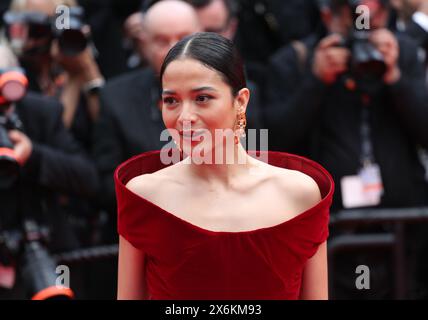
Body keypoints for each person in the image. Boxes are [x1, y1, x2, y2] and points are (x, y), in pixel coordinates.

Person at [115, 32, 334, 300]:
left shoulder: (299, 193)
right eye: (171, 100)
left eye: (202, 98)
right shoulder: (144, 195)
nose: (184, 117)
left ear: (240, 101)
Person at [93, 0, 201, 235]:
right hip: (145, 235)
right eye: (162, 41)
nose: (176, 51)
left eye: (184, 39)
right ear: (144, 44)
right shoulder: (115, 97)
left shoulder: (235, 93)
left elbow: (255, 166)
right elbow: (106, 185)